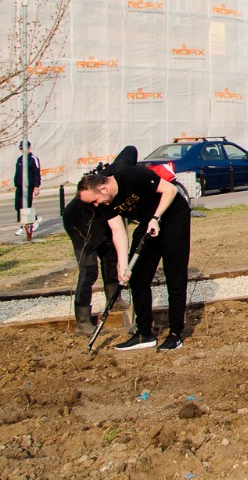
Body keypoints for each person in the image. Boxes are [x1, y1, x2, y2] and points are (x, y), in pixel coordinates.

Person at [77, 158, 193, 352]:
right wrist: (123, 265)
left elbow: (170, 190)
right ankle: (144, 333)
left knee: (175, 276)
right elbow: (118, 232)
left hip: (173, 216)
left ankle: (175, 334)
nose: (96, 206)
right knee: (137, 276)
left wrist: (156, 218)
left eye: (94, 201)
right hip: (148, 222)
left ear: (103, 189)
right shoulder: (106, 204)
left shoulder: (132, 176)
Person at [66, 146, 140, 335]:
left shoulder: (122, 175)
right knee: (88, 270)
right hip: (80, 223)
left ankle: (113, 299)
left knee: (110, 258)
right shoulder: (101, 188)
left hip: (101, 219)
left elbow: (130, 150)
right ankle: (82, 321)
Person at [13, 142, 41, 236]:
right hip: (20, 186)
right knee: (18, 206)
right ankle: (34, 218)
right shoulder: (19, 159)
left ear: (29, 148)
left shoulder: (33, 159)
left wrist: (36, 186)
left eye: (24, 148)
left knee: (26, 206)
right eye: (21, 149)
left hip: (28, 186)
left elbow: (37, 173)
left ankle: (24, 227)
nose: (23, 151)